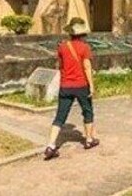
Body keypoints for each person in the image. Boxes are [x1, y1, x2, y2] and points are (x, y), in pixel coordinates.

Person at [44, 17, 99, 160]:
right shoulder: (85, 47)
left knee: (60, 116)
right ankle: (89, 140)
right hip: (81, 85)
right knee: (87, 111)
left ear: (70, 33)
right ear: (83, 34)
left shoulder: (62, 47)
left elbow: (61, 66)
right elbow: (87, 67)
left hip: (66, 85)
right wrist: (91, 86)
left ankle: (50, 145)